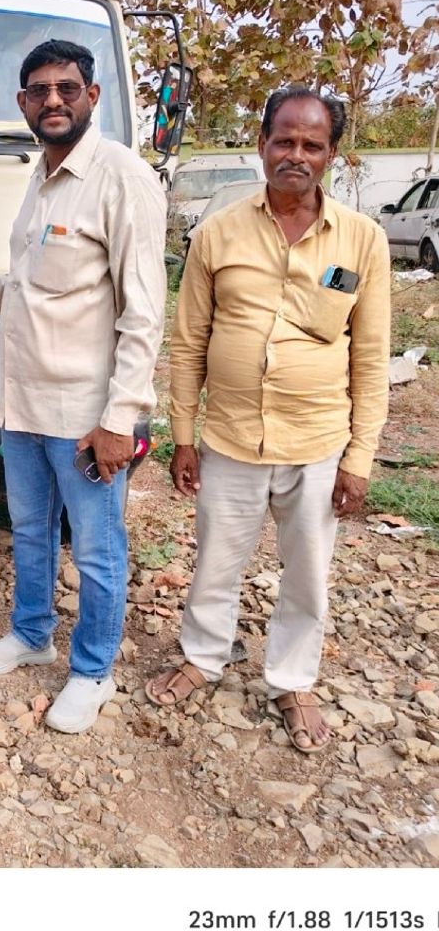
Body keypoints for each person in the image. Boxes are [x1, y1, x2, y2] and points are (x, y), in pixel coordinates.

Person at [0, 40, 167, 734]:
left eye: (67, 88)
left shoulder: (121, 178)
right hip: (24, 402)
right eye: (39, 90)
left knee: (96, 549)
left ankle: (92, 671)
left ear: (92, 95)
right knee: (31, 530)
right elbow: (32, 290)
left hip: (85, 415)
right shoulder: (41, 176)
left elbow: (144, 312)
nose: (53, 100)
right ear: (22, 102)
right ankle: (32, 635)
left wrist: (120, 418)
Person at [145, 86, 391, 754]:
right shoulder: (218, 233)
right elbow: (189, 343)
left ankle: (292, 680)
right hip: (229, 438)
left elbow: (371, 360)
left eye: (312, 144)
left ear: (331, 154)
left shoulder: (363, 241)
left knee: (307, 573)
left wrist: (359, 459)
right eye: (284, 140)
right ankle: (202, 658)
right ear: (261, 144)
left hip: (317, 441)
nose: (296, 155)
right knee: (215, 562)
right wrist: (183, 438)